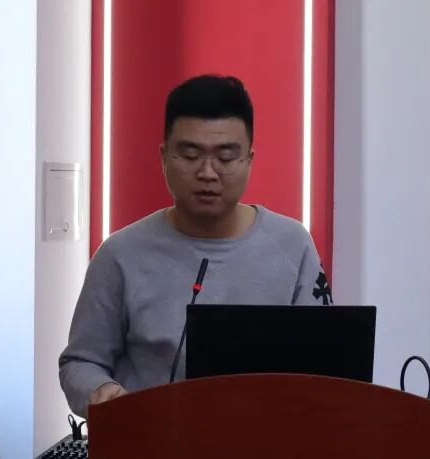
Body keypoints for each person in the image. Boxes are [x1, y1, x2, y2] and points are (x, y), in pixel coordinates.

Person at [58, 74, 332, 418]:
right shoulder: (119, 254)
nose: (207, 173)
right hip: (151, 437)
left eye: (225, 158)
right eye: (190, 155)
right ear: (164, 156)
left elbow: (326, 364)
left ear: (249, 160)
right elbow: (80, 361)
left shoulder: (293, 245)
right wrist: (100, 390)